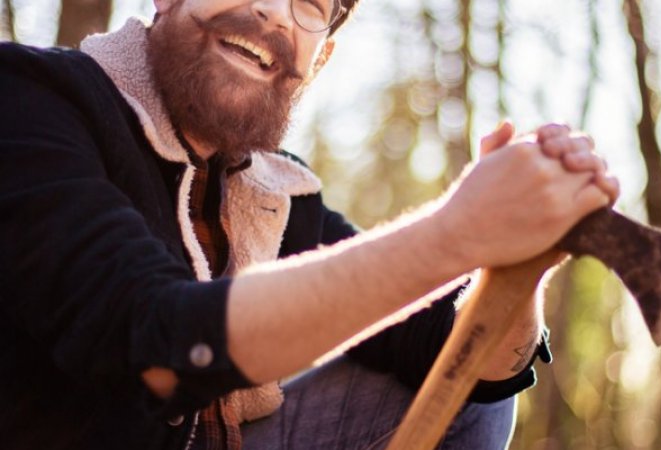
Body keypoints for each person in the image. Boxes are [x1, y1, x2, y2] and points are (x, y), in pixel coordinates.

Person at [0, 0, 619, 449]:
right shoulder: (33, 100)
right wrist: (456, 232)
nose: (272, 11)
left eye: (310, 4)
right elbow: (154, 346)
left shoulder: (272, 193)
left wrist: (514, 267)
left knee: (460, 387)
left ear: (318, 59)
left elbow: (470, 360)